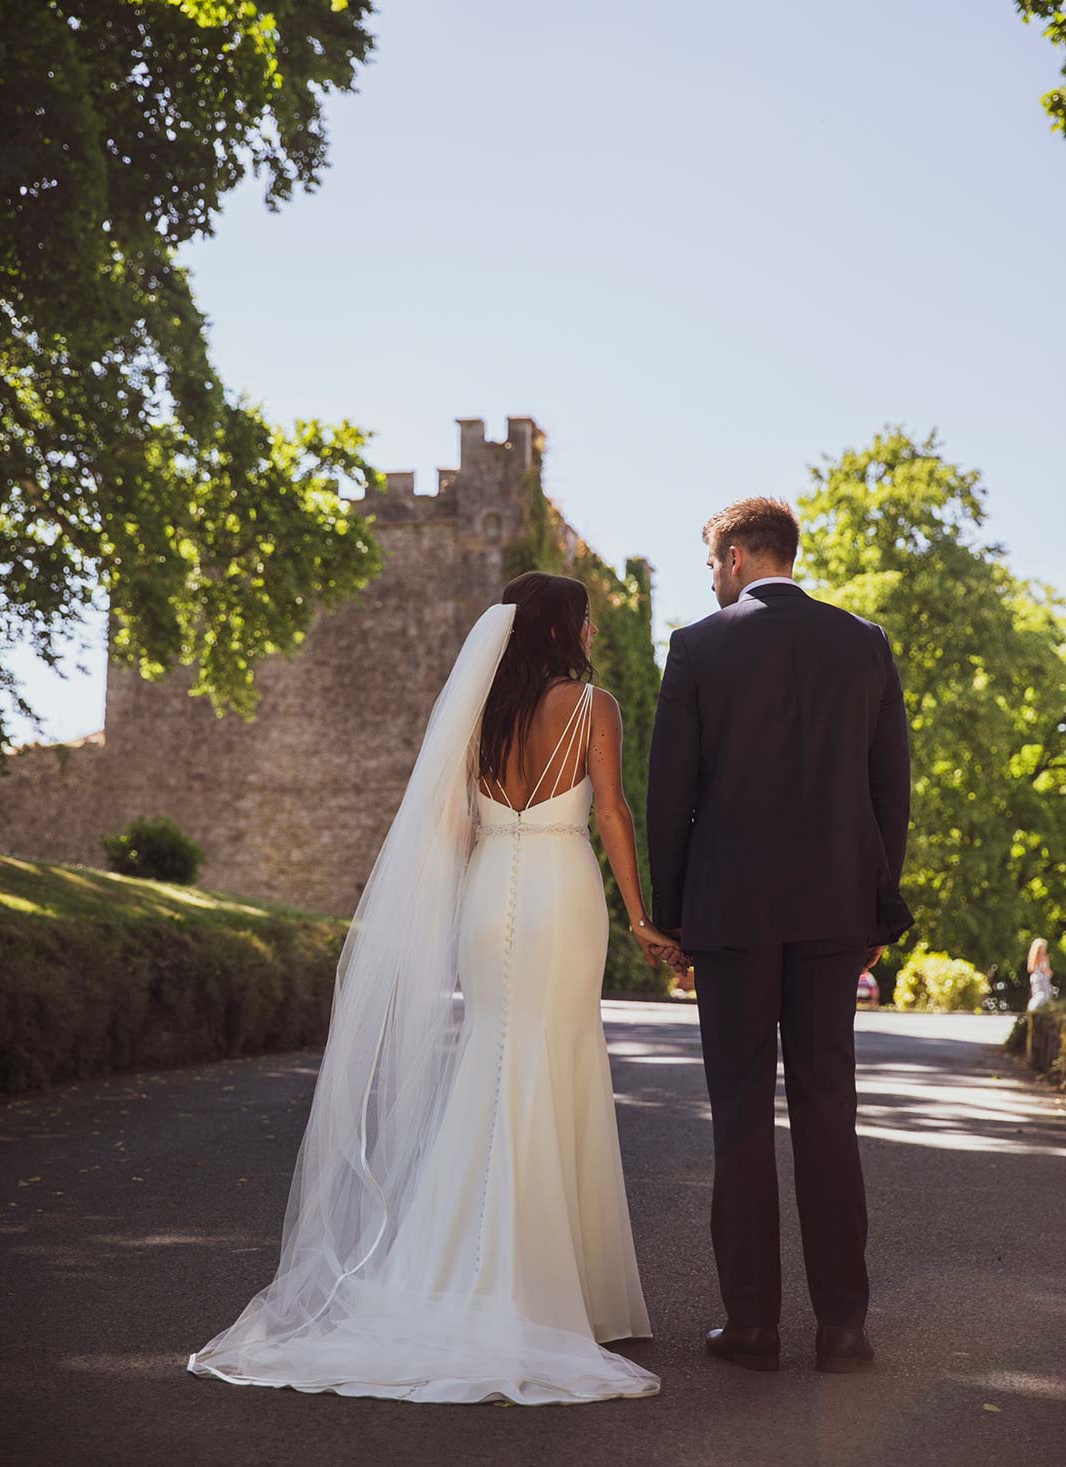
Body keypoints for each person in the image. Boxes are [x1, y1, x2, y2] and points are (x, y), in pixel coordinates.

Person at [186, 571, 675, 1405]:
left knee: (492, 1057)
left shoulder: (475, 715)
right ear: (562, 628)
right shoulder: (594, 706)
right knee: (555, 1059)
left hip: (489, 896)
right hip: (563, 892)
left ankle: (459, 1271)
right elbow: (615, 813)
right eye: (587, 620)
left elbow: (448, 829)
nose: (593, 633)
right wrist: (640, 916)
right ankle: (553, 1292)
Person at [646, 496, 913, 1377]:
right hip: (837, 912)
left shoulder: (697, 646)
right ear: (787, 556)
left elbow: (670, 797)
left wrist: (673, 914)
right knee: (829, 1111)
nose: (713, 581)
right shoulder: (863, 642)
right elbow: (890, 791)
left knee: (739, 1116)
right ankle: (843, 1328)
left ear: (732, 558)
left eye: (712, 566)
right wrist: (880, 906)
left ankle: (752, 1322)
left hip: (729, 914)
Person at [1027, 937, 1055, 1012]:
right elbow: (1045, 969)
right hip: (1040, 978)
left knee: (1043, 996)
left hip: (1041, 978)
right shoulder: (1039, 958)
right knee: (1041, 995)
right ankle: (1031, 1010)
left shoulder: (1041, 957)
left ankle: (1035, 1011)